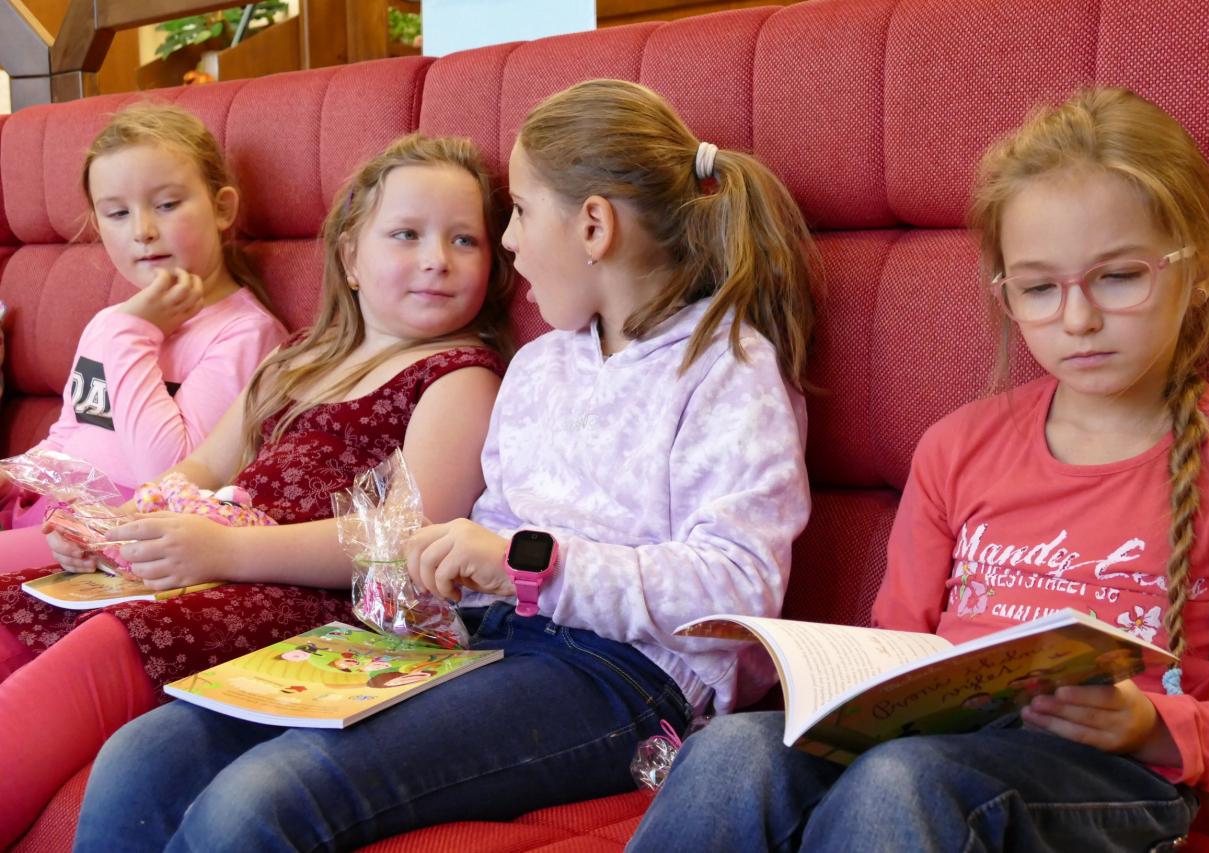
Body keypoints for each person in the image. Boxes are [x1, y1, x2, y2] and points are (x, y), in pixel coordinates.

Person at [73, 78, 816, 852]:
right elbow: (495, 534)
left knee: (256, 803)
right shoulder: (541, 364)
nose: (509, 243)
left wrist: (527, 564)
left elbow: (739, 585)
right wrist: (431, 575)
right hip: (476, 638)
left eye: (520, 212)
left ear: (594, 225)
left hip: (623, 677)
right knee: (150, 754)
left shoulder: (727, 369)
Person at [628, 87, 1209, 852]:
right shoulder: (956, 447)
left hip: (1115, 781)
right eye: (1040, 288)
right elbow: (895, 654)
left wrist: (1149, 724)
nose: (1078, 320)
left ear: (1198, 270)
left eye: (1118, 276)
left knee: (903, 778)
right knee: (731, 749)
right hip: (939, 748)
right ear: (1007, 293)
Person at [0, 133, 513, 845]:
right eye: (407, 235)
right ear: (350, 258)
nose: (437, 258)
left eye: (465, 239)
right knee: (19, 608)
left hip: (306, 600)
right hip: (214, 565)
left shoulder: (459, 377)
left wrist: (222, 550)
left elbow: (399, 543)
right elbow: (201, 469)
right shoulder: (302, 359)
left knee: (101, 651)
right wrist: (117, 527)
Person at [0, 103, 287, 570]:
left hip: (113, 530)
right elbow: (72, 435)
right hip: (43, 512)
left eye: (167, 205)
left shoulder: (244, 335)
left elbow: (170, 474)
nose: (142, 231)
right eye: (117, 213)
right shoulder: (111, 323)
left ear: (222, 208)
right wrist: (13, 475)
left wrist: (130, 331)